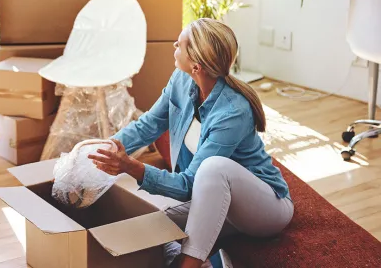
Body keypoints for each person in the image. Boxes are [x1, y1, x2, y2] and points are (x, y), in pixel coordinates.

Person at [89, 18, 293, 268]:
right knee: (152, 224)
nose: (175, 43)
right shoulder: (181, 80)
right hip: (216, 201)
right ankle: (209, 260)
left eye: (181, 43)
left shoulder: (232, 111)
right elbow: (149, 124)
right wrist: (102, 151)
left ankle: (191, 264)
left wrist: (131, 167)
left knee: (213, 167)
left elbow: (189, 184)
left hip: (265, 209)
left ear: (196, 66)